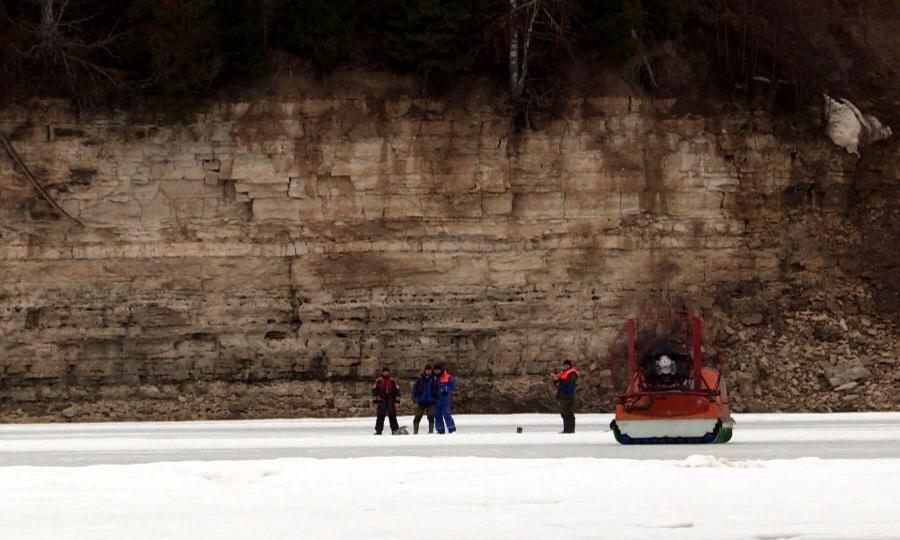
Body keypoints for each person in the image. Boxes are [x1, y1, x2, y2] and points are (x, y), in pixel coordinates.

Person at [551, 360, 579, 433]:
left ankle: (570, 430)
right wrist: (555, 379)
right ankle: (566, 430)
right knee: (564, 413)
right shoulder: (562, 373)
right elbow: (559, 384)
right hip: (563, 395)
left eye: (566, 365)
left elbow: (568, 382)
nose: (565, 366)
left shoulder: (572, 373)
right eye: (564, 365)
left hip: (569, 395)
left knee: (569, 413)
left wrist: (558, 380)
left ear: (569, 365)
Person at [411, 364, 439, 434]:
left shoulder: (434, 379)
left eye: (429, 370)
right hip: (421, 401)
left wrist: (437, 398)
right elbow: (414, 389)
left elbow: (437, 389)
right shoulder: (419, 379)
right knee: (417, 417)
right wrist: (414, 397)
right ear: (425, 371)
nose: (428, 372)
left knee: (431, 417)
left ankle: (430, 432)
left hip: (431, 401)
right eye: (427, 370)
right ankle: (415, 432)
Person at [372, 367, 401, 435]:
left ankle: (395, 430)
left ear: (389, 372)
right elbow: (374, 392)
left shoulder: (393, 381)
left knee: (392, 416)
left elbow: (397, 392)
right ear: (382, 372)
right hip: (381, 401)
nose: (386, 373)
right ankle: (378, 431)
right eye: (384, 372)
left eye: (387, 372)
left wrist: (397, 402)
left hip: (390, 401)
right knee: (380, 416)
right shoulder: (378, 381)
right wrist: (375, 402)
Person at [433, 364, 456, 434]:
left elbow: (452, 386)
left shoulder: (447, 377)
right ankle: (440, 430)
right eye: (435, 370)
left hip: (445, 401)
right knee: (437, 416)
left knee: (447, 415)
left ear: (440, 370)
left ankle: (452, 430)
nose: (437, 371)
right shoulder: (432, 378)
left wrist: (445, 389)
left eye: (438, 370)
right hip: (435, 401)